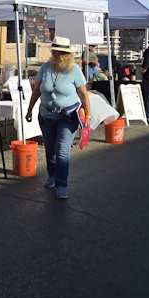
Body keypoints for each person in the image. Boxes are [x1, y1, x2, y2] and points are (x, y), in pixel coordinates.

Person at [25, 36, 90, 200]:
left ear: (68, 54)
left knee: (62, 151)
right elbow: (37, 90)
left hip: (68, 116)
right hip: (46, 115)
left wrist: (88, 115)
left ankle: (62, 185)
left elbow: (83, 94)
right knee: (50, 149)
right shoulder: (45, 68)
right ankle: (52, 176)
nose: (59, 56)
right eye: (56, 52)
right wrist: (30, 110)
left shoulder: (75, 70)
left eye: (62, 53)